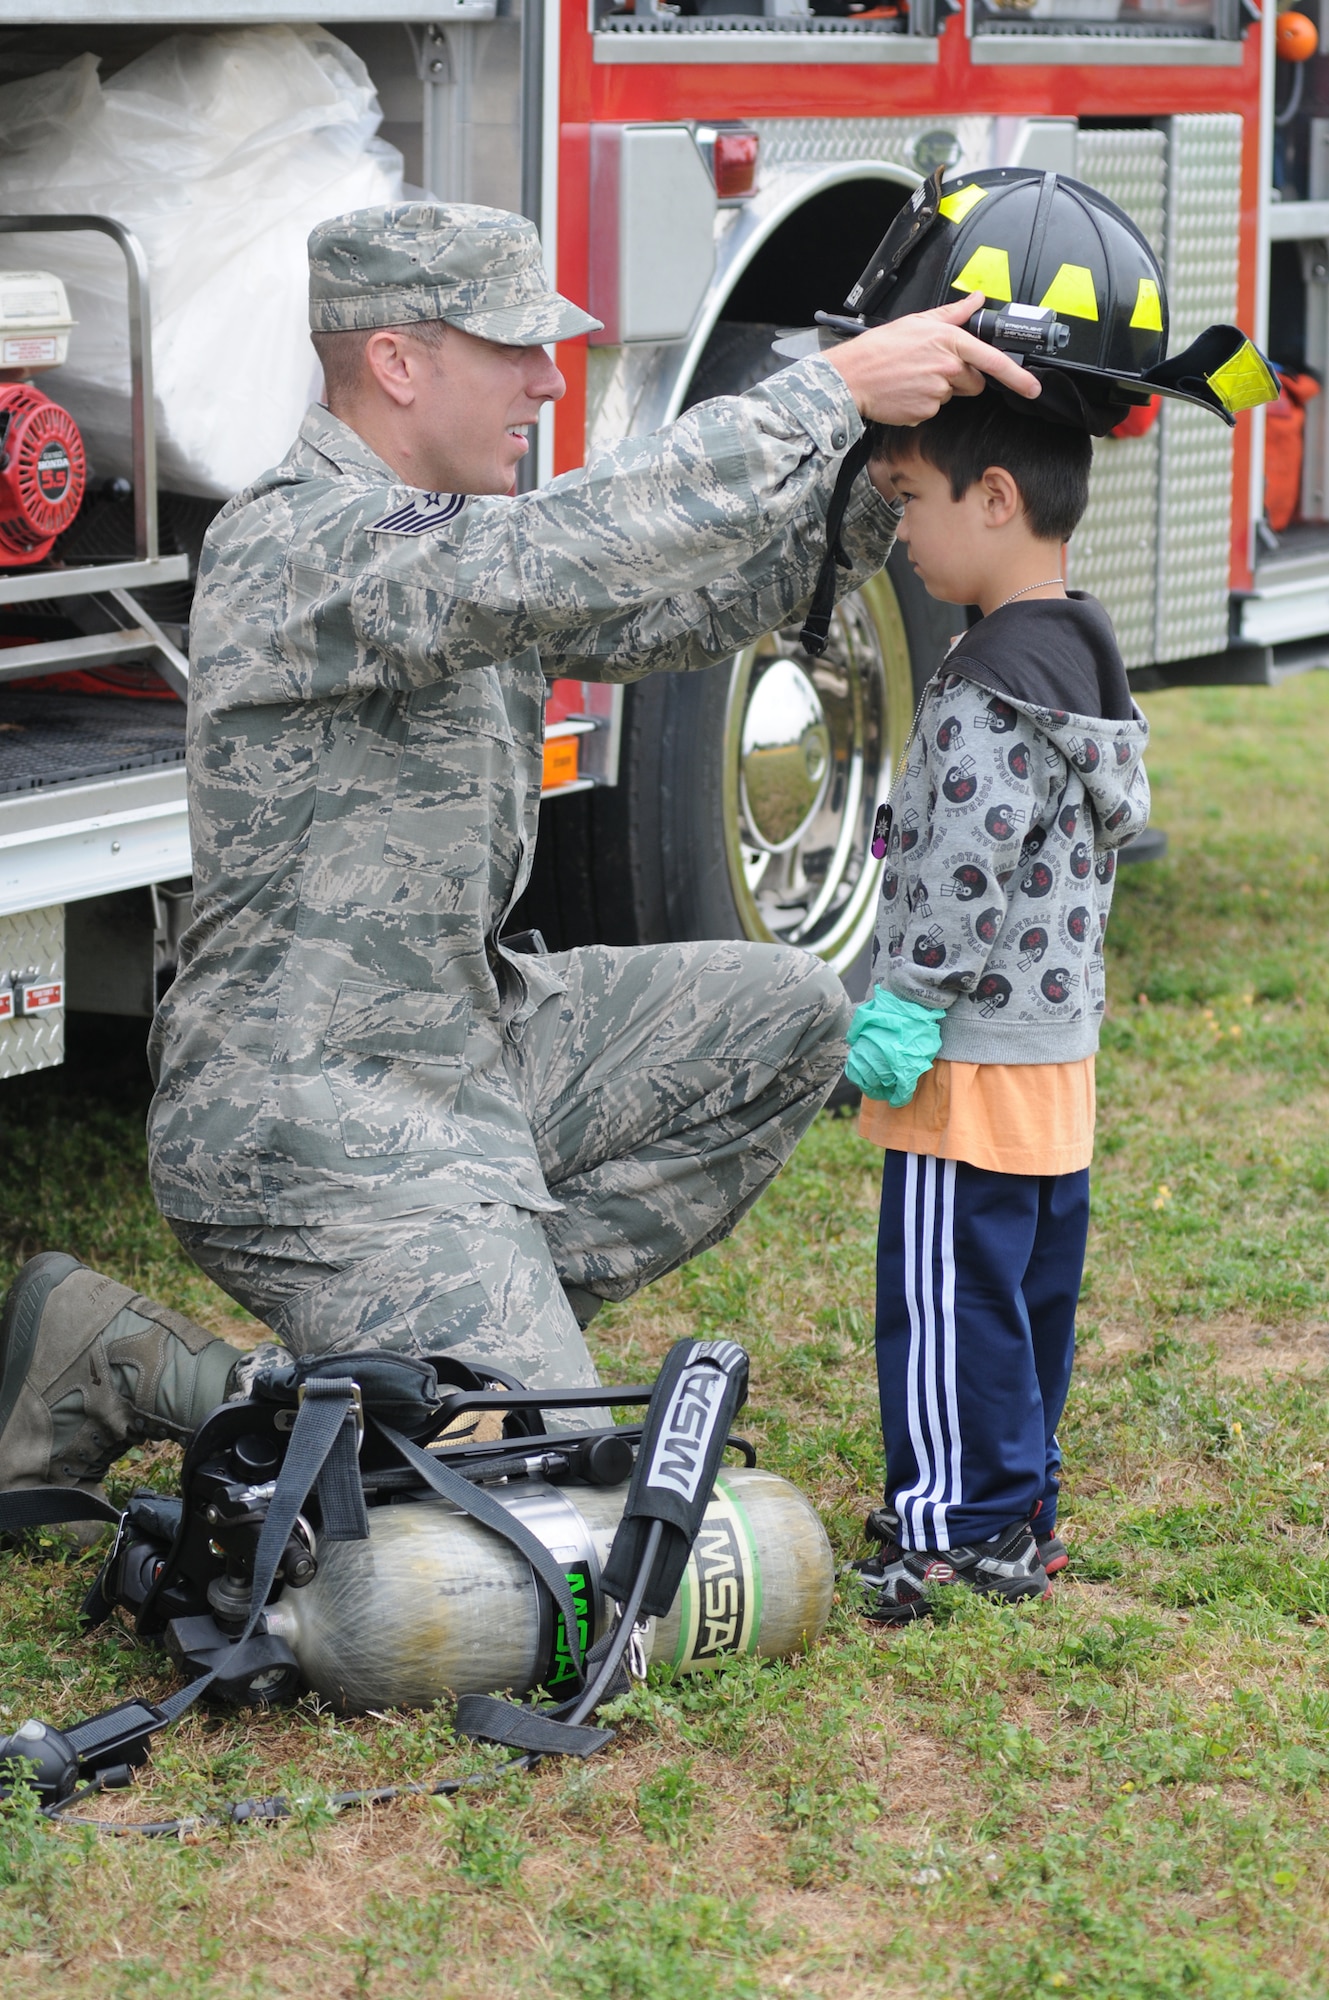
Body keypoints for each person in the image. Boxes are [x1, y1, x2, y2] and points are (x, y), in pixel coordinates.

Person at [0, 201, 1039, 1509]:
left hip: (466, 1054)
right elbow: (560, 547)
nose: (551, 383)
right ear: (397, 362)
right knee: (527, 1495)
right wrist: (822, 391)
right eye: (517, 351)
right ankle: (177, 1372)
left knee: (789, 1011)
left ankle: (445, 1357)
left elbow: (700, 598)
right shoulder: (299, 542)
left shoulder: (453, 544)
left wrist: (879, 473)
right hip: (310, 1114)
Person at [845, 391, 1149, 1620]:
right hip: (1052, 1059)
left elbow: (964, 863)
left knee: (943, 1295)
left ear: (996, 499)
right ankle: (1021, 1512)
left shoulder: (984, 687)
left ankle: (949, 1532)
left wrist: (905, 1001)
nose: (902, 532)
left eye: (910, 499)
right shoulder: (1079, 658)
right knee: (1023, 1296)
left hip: (966, 1056)